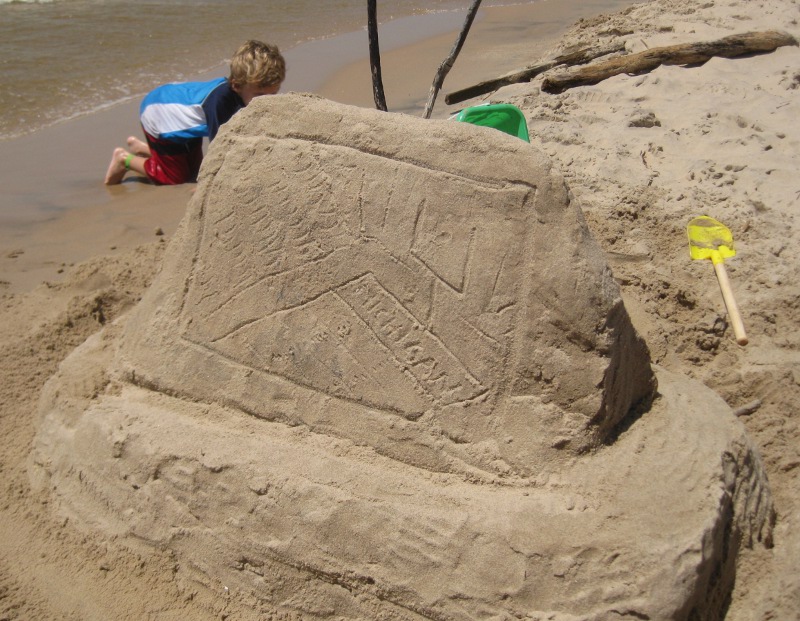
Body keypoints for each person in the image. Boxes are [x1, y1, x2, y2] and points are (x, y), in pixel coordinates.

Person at [105, 40, 285, 185]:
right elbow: (220, 148)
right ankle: (125, 159)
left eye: (273, 94)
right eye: (260, 95)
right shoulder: (219, 103)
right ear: (237, 86)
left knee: (194, 171)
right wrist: (209, 187)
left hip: (182, 117)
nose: (267, 101)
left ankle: (143, 149)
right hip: (160, 117)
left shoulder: (242, 90)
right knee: (175, 177)